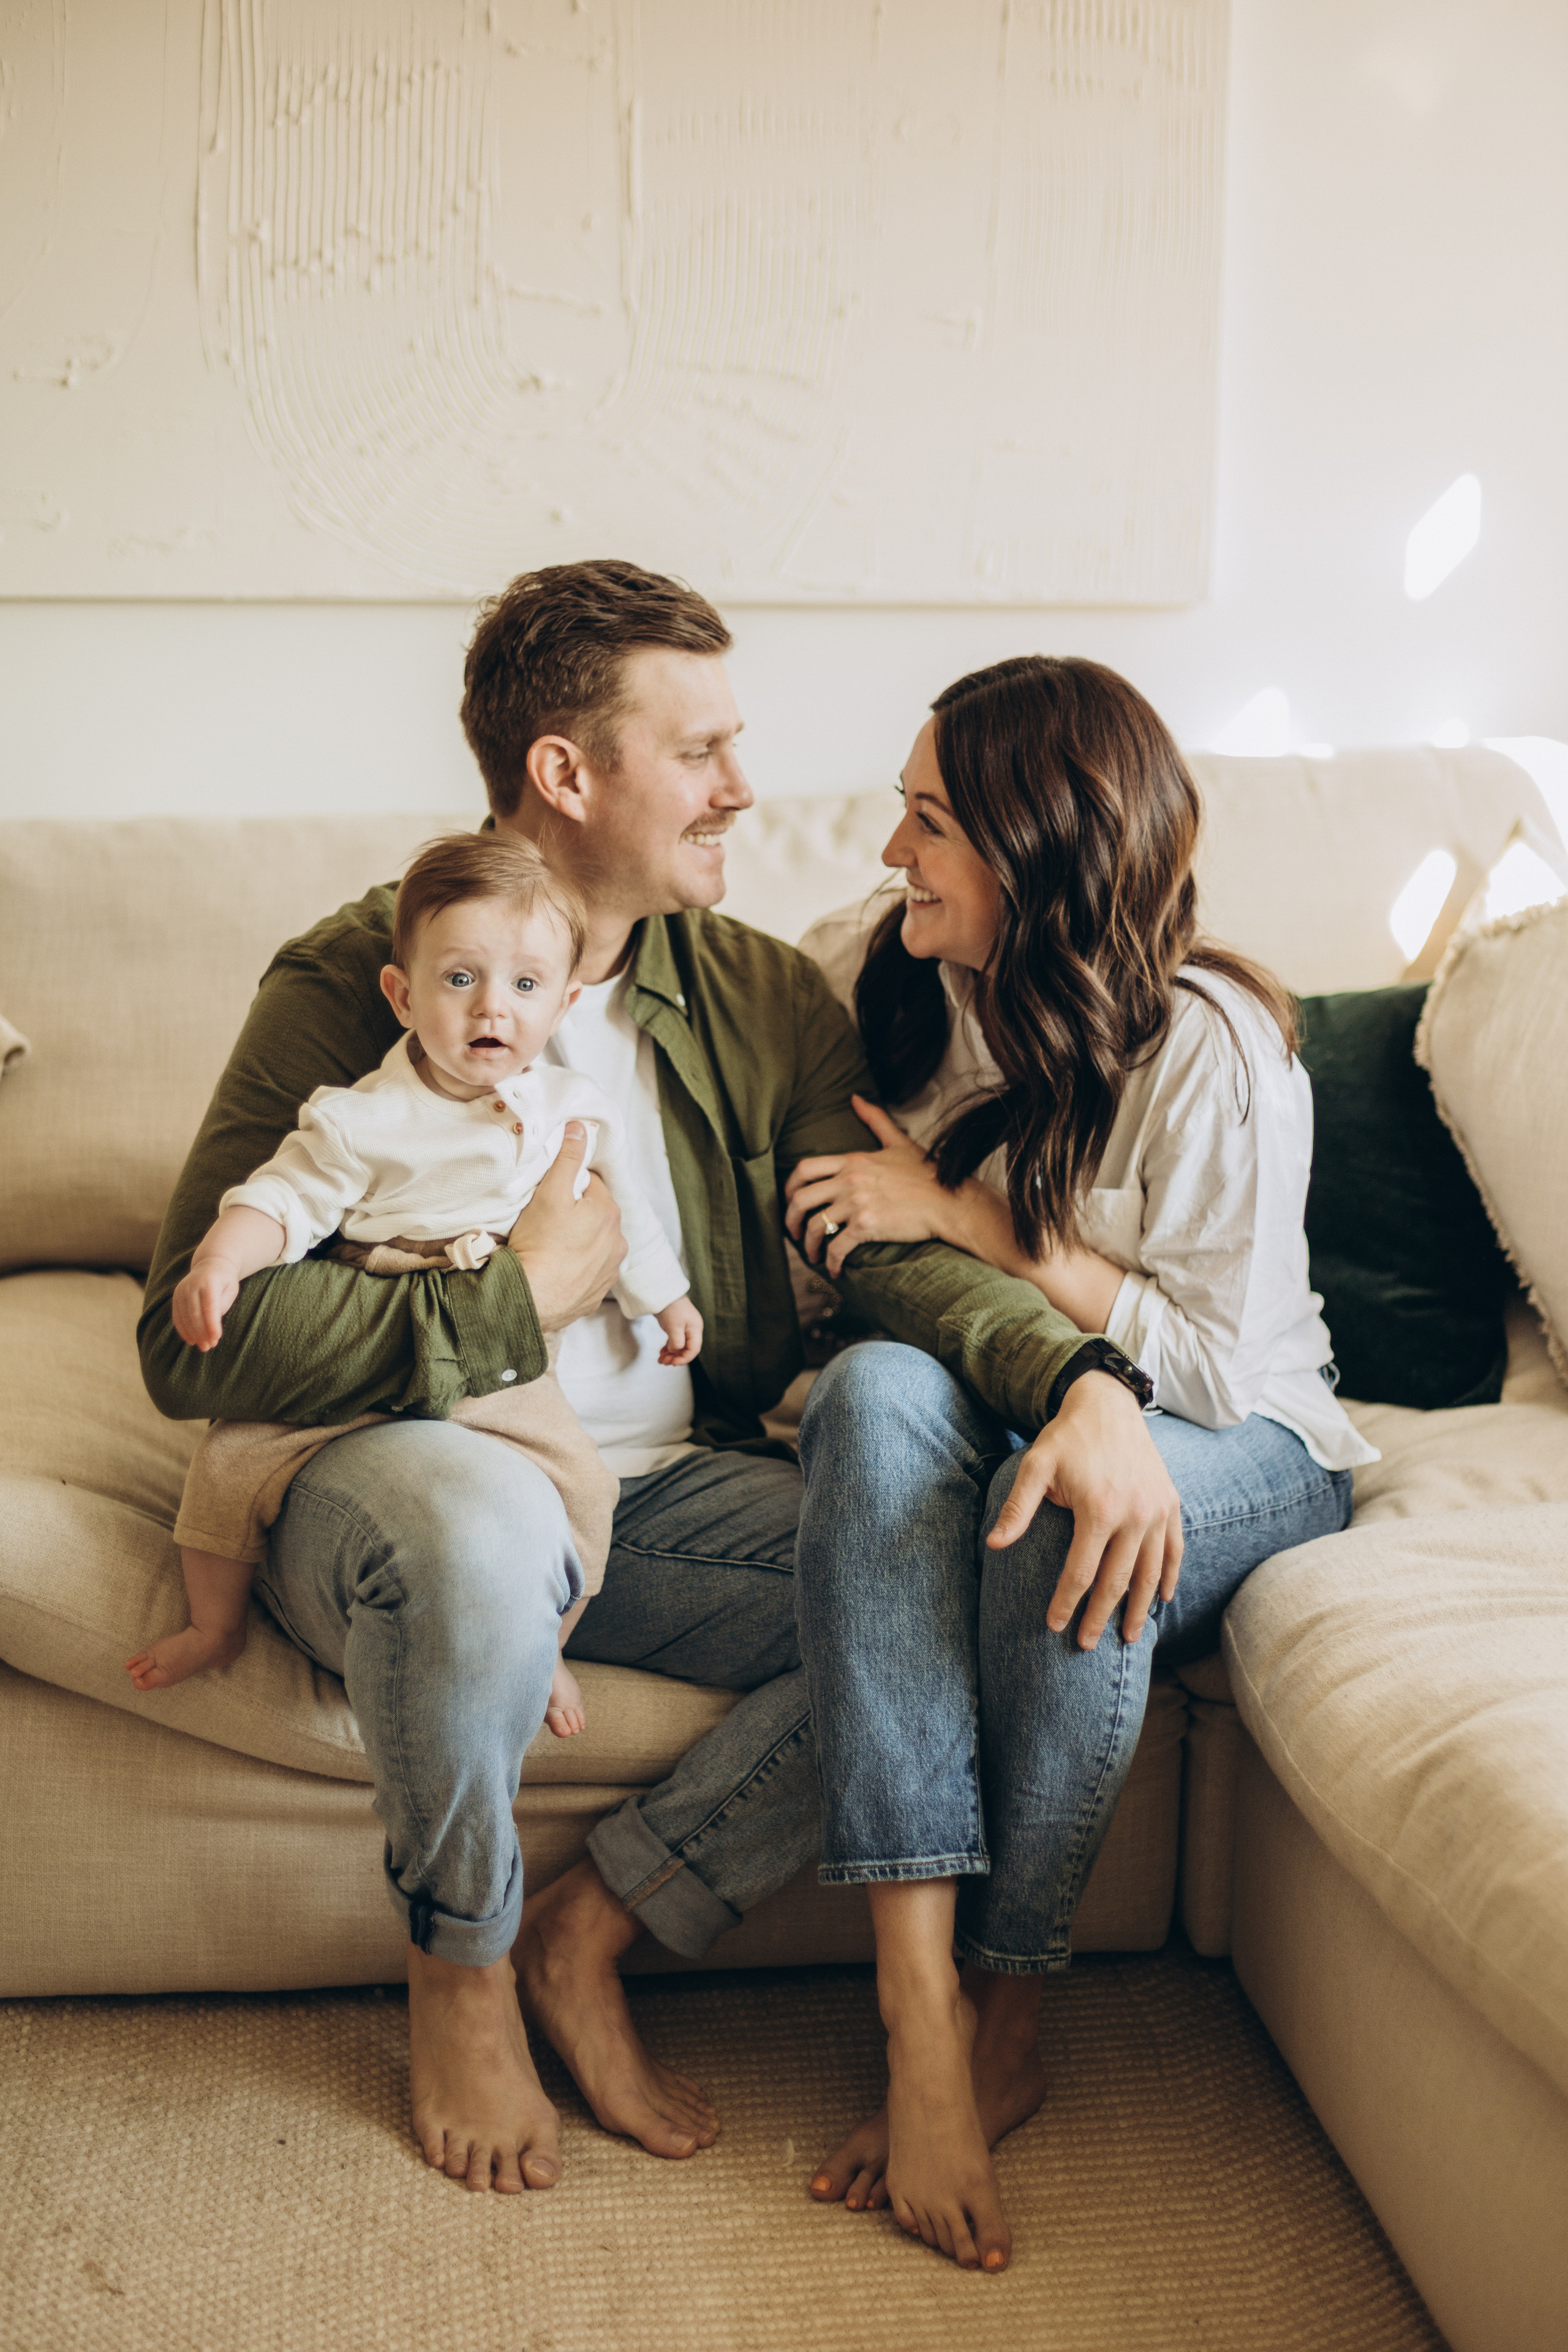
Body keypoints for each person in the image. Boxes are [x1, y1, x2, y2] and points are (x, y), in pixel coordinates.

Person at [138, 565, 1179, 2200]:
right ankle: (460, 1961)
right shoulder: (368, 974)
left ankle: (593, 1925)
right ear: (569, 774)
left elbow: (884, 1245)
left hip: (660, 1493)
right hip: (402, 1470)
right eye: (700, 750)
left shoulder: (753, 992)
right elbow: (183, 1342)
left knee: (967, 1597)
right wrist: (504, 1309)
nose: (744, 788)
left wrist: (1083, 1379)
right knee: (473, 1525)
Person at [784, 654, 1377, 2274]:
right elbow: (831, 1254)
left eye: (926, 824)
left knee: (1062, 1505)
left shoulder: (1212, 1047)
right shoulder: (884, 978)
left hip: (1251, 1442)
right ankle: (914, 2012)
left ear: (1035, 852)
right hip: (1001, 1410)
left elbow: (1207, 1361)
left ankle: (1010, 2009)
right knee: (869, 1405)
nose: (892, 853)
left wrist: (972, 1223)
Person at [127, 834, 701, 1744]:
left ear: (564, 1002)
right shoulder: (363, 1118)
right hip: (378, 1326)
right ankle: (214, 1623)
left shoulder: (572, 1109)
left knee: (587, 1491)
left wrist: (665, 1299)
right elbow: (281, 1197)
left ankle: (546, 1640)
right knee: (229, 1462)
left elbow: (622, 1213)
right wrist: (221, 1263)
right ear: (403, 994)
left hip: (505, 1370)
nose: (492, 1011)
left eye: (524, 986)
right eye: (460, 979)